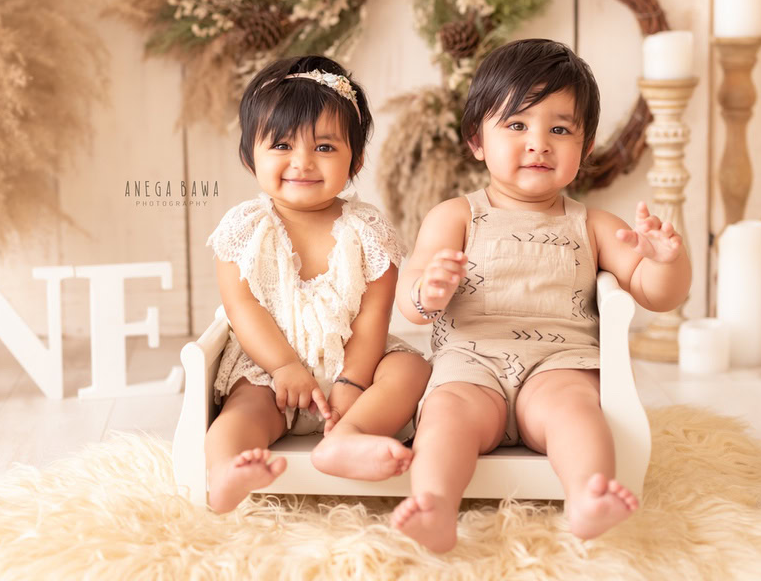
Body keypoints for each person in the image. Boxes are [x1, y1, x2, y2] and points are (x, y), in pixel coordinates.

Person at [390, 39, 691, 551]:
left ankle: (587, 495)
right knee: (444, 419)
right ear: (476, 140)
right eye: (516, 125)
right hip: (471, 367)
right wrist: (429, 291)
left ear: (585, 146)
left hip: (557, 365)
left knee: (577, 412)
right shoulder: (456, 216)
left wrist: (665, 261)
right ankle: (435, 506)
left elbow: (655, 295)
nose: (539, 143)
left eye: (559, 129)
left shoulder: (593, 224)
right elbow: (409, 304)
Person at [204, 55, 432, 513]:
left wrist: (351, 380)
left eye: (325, 148)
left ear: (356, 159)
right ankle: (226, 471)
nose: (302, 162)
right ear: (251, 155)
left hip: (354, 365)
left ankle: (351, 436)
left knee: (412, 371)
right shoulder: (245, 228)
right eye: (282, 145)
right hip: (269, 369)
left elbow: (373, 316)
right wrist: (285, 366)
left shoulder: (368, 230)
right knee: (241, 412)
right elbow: (241, 307)